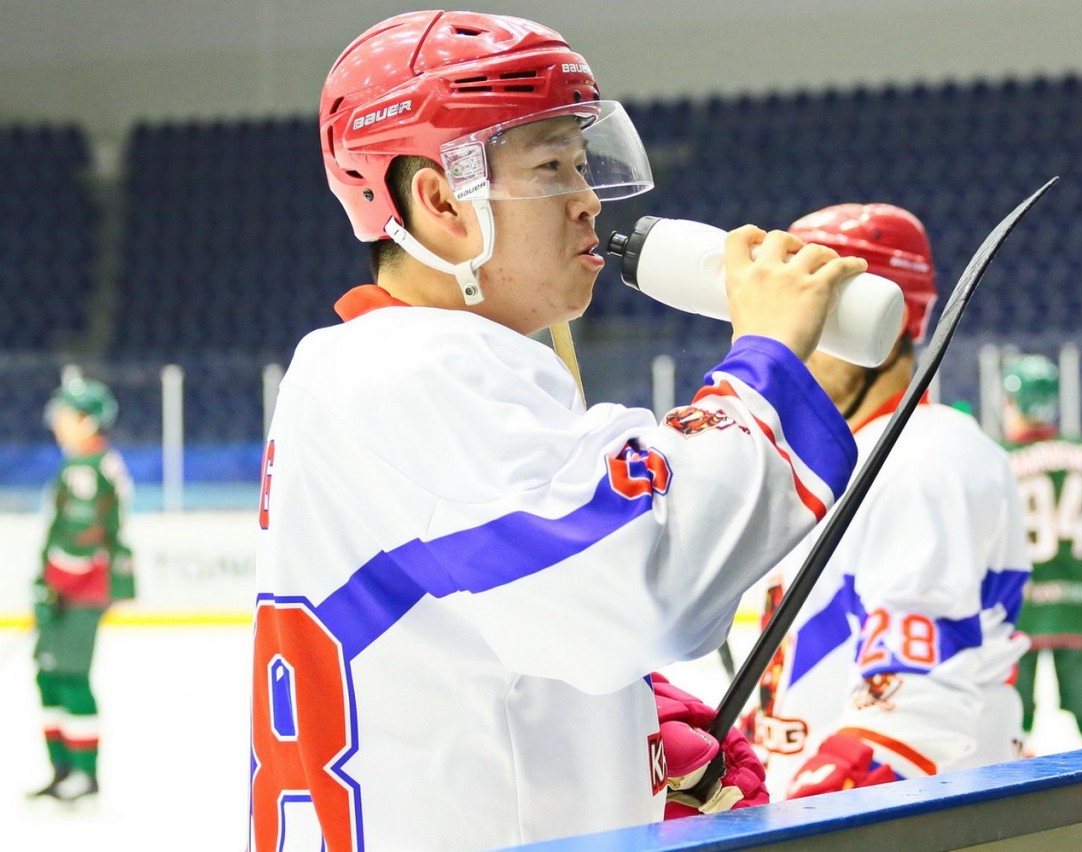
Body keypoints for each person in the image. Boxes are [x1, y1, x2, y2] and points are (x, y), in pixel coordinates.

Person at [249, 10, 874, 850]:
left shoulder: (383, 366)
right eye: (549, 167)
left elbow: (495, 629)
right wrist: (764, 360)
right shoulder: (414, 370)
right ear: (440, 200)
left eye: (581, 163)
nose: (587, 200)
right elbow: (645, 595)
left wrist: (623, 725)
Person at [745, 203, 1031, 798]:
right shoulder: (846, 457)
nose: (792, 341)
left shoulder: (927, 456)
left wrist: (806, 811)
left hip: (916, 815)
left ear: (878, 321)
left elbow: (913, 701)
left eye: (814, 315)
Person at [28, 378, 134, 803]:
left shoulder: (87, 469)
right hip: (67, 590)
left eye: (65, 415)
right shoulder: (84, 463)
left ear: (88, 420)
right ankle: (62, 769)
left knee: (71, 676)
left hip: (79, 592)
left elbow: (83, 536)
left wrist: (53, 586)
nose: (57, 422)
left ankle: (84, 774)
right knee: (48, 675)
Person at [1001, 354, 1082, 749]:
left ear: (1011, 401)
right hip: (1078, 601)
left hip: (1019, 608)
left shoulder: (998, 457)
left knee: (1012, 722)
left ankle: (1016, 773)